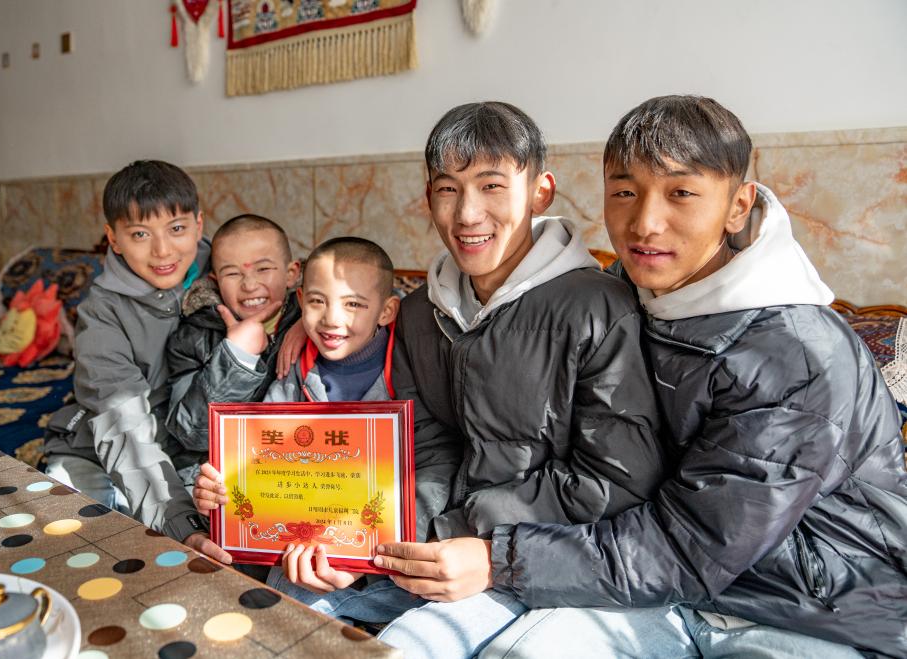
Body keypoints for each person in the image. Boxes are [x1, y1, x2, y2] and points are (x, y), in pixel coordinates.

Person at [479, 95, 907, 659]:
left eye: (680, 193)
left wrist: (499, 557)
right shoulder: (624, 294)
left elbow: (694, 547)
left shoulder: (798, 354)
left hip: (812, 613)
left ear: (738, 205)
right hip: (658, 586)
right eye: (624, 192)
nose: (645, 223)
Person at [370, 101, 668, 658]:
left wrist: (467, 532)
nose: (468, 214)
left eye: (491, 186)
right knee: (295, 594)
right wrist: (388, 538)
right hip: (449, 543)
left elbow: (615, 483)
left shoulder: (598, 308)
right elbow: (427, 442)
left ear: (540, 192)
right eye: (448, 189)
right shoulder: (417, 313)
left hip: (555, 554)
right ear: (428, 197)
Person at [192, 237, 423, 622]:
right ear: (300, 302)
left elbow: (434, 471)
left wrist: (368, 553)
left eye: (353, 304)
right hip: (304, 545)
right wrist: (217, 496)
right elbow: (259, 462)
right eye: (318, 302)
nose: (332, 318)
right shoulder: (293, 369)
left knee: (289, 599)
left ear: (386, 311)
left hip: (384, 552)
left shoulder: (411, 369)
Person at [42, 159, 230, 564]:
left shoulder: (228, 272)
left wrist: (299, 322)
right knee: (81, 541)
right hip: (101, 450)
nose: (163, 251)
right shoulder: (102, 313)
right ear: (113, 238)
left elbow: (287, 283)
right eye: (140, 234)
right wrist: (181, 525)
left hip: (188, 457)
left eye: (176, 229)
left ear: (199, 224)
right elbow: (122, 425)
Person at [165, 213, 302, 476]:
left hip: (298, 472)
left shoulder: (318, 323)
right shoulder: (194, 336)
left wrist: (308, 321)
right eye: (232, 273)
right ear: (215, 281)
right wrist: (236, 358)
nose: (249, 285)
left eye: (263, 269)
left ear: (291, 274)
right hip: (225, 474)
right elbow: (190, 433)